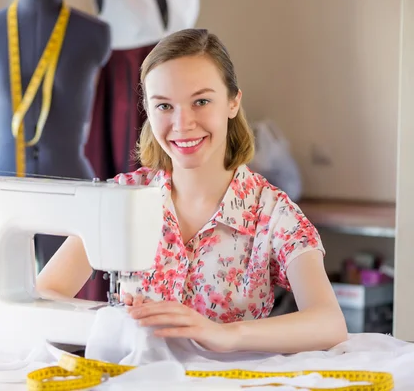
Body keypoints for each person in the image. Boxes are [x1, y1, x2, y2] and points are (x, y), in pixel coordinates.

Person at [36, 28, 348, 354]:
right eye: (164, 106)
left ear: (232, 102)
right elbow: (45, 294)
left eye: (201, 101)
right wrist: (115, 322)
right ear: (148, 108)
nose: (182, 123)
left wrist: (225, 334)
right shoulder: (122, 199)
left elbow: (329, 322)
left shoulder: (273, 214)